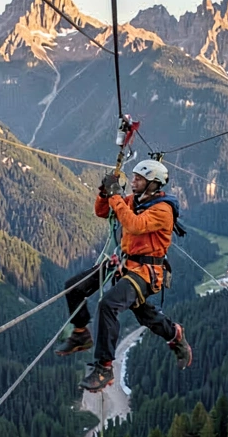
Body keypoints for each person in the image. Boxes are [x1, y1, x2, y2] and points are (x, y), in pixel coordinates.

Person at [55, 159, 193, 392]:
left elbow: (134, 225)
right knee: (74, 287)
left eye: (139, 178)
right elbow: (102, 212)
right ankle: (81, 334)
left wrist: (116, 195)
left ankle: (105, 367)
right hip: (125, 265)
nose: (133, 181)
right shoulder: (135, 201)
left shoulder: (163, 210)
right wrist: (104, 193)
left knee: (109, 305)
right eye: (134, 177)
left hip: (147, 273)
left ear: (153, 184)